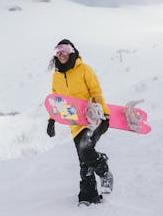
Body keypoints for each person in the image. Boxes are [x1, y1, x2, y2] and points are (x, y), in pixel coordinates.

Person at [47, 39, 113, 206]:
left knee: (85, 149)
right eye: (58, 51)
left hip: (94, 118)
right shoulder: (57, 76)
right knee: (83, 160)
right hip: (75, 124)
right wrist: (51, 120)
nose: (61, 54)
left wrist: (105, 115)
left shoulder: (84, 69)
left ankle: (103, 170)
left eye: (65, 50)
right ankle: (88, 195)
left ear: (72, 51)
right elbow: (56, 100)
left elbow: (96, 92)